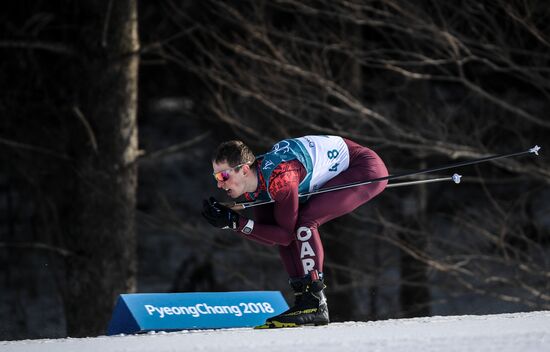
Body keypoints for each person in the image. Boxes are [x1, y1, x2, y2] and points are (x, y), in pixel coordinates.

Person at [202, 135, 388, 328]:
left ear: (245, 170)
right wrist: (232, 223)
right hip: (331, 165)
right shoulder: (253, 187)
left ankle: (315, 301)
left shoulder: (280, 177)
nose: (219, 184)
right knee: (287, 224)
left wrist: (237, 222)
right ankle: (303, 301)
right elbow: (274, 236)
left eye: (223, 176)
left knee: (304, 223)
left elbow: (285, 234)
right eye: (216, 177)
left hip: (363, 167)